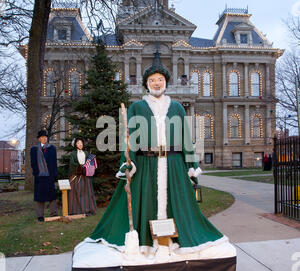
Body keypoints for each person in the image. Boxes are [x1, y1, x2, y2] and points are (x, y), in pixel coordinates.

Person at [88, 52, 234, 259]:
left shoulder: (176, 108)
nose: (157, 83)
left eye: (160, 80)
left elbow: (185, 138)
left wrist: (191, 163)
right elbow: (129, 138)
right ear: (147, 84)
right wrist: (128, 162)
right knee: (147, 201)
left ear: (166, 82)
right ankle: (148, 242)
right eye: (152, 80)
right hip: (147, 163)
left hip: (174, 163)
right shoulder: (137, 107)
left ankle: (173, 239)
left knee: (176, 203)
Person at [30, 130, 58, 222]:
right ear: (39, 139)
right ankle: (40, 216)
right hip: (40, 176)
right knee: (40, 196)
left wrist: (54, 175)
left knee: (52, 195)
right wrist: (37, 173)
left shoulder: (52, 148)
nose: (44, 138)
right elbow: (33, 163)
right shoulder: (34, 149)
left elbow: (54, 163)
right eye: (42, 137)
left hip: (50, 176)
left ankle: (54, 214)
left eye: (45, 137)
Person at [68, 137, 97, 216]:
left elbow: (89, 163)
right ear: (75, 144)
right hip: (76, 176)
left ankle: (87, 210)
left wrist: (86, 169)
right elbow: (72, 164)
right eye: (78, 143)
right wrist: (79, 168)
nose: (80, 144)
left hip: (85, 177)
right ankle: (76, 211)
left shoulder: (86, 153)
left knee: (86, 193)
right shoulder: (73, 153)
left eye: (81, 143)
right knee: (76, 193)